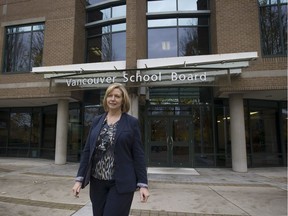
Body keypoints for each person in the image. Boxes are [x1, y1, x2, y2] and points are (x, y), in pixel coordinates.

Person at [72, 83, 149, 216]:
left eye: (117, 96)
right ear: (106, 99)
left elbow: (138, 155)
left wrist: (143, 184)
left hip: (121, 183)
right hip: (97, 182)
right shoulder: (97, 121)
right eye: (110, 95)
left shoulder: (131, 123)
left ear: (123, 100)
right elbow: (87, 152)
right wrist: (79, 179)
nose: (113, 99)